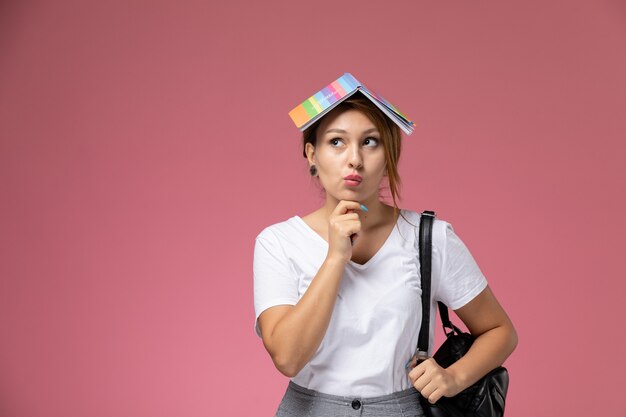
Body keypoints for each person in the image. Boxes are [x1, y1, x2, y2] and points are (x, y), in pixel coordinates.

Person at [253, 78, 518, 417]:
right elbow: (287, 358)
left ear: (389, 154)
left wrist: (453, 377)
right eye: (336, 142)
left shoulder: (430, 237)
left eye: (370, 142)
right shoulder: (278, 242)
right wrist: (336, 257)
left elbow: (501, 331)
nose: (354, 159)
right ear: (312, 155)